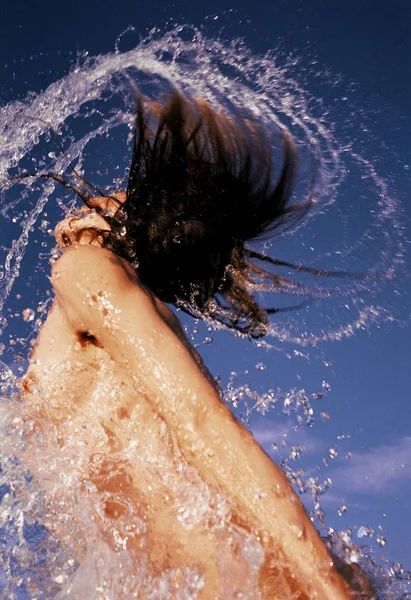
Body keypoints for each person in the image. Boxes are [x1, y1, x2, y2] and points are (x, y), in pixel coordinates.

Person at [20, 91, 371, 598]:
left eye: (114, 197)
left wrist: (327, 585)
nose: (91, 200)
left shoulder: (89, 272)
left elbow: (202, 422)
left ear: (127, 231)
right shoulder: (104, 324)